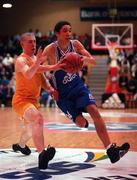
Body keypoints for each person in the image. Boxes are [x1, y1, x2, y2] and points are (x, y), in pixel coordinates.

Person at [43, 21, 130, 164]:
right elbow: (37, 69)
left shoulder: (75, 44)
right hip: (63, 95)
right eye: (65, 31)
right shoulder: (50, 49)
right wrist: (54, 70)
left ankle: (111, 150)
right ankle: (81, 120)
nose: (69, 33)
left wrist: (80, 59)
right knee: (82, 124)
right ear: (57, 33)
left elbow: (93, 61)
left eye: (70, 30)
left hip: (78, 87)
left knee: (95, 111)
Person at [12, 32, 65, 169]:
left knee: (30, 129)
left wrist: (51, 90)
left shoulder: (36, 59)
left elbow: (42, 80)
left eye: (34, 41)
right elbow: (29, 74)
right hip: (21, 101)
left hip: (33, 102)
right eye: (29, 42)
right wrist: (51, 66)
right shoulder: (21, 60)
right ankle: (42, 155)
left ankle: (20, 146)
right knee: (38, 119)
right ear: (22, 44)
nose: (33, 44)